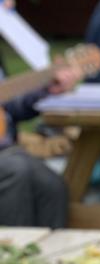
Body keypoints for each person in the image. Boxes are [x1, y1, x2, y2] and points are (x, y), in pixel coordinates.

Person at [0, 58, 82, 227]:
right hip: (10, 160)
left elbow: (11, 106)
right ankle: (16, 243)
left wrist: (47, 90)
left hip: (8, 152)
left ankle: (53, 243)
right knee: (16, 172)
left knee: (52, 186)